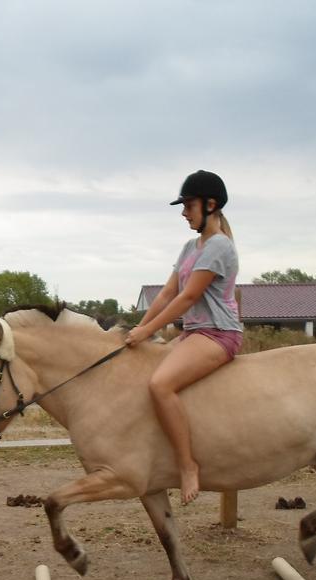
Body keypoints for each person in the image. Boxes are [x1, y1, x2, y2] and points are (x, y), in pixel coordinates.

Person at [125, 170, 241, 505]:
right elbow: (165, 294)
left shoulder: (219, 246)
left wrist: (149, 331)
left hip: (219, 333)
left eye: (188, 205)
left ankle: (188, 465)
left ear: (210, 204)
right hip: (193, 334)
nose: (184, 212)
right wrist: (138, 330)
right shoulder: (191, 246)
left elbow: (188, 297)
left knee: (160, 385)